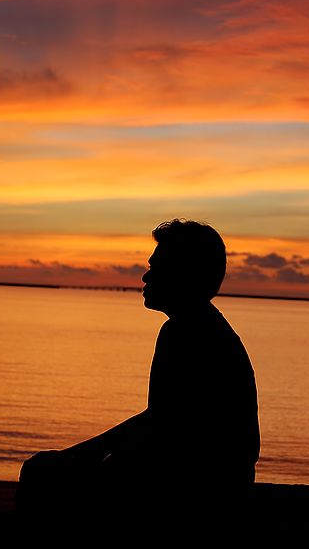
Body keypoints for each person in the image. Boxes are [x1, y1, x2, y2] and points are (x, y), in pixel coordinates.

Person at [16, 219, 260, 531]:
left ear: (183, 273)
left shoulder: (187, 332)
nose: (145, 276)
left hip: (200, 487)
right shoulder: (200, 327)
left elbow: (164, 424)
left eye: (156, 267)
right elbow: (163, 421)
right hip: (209, 478)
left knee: (42, 476)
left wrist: (79, 456)